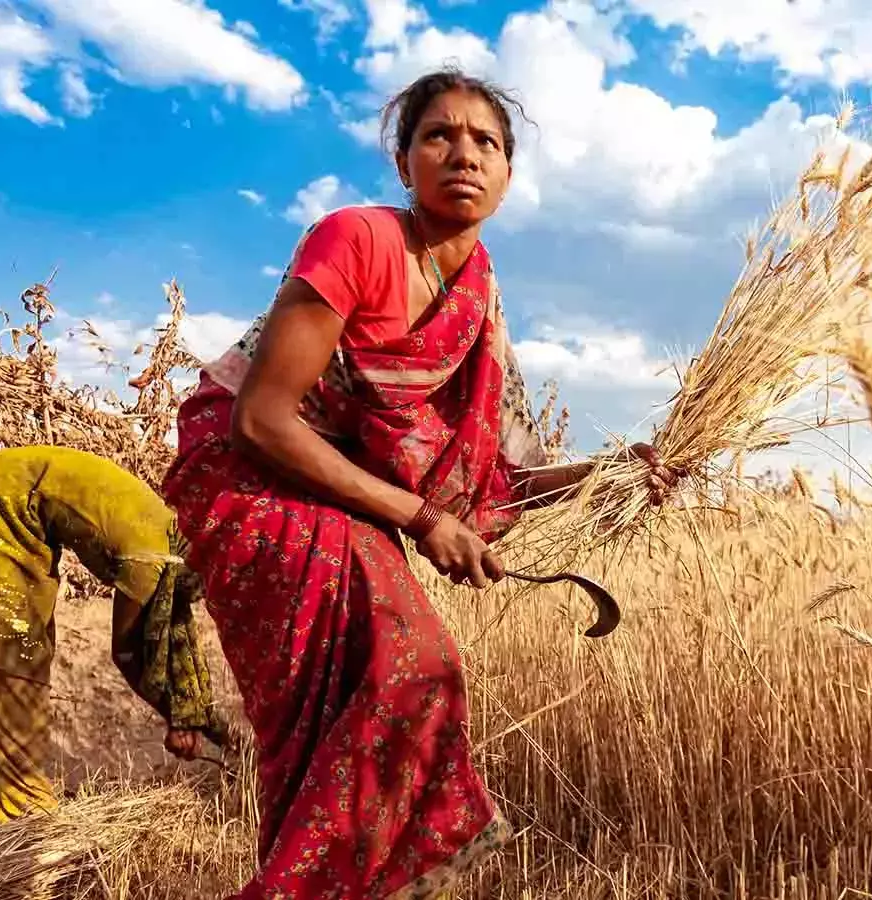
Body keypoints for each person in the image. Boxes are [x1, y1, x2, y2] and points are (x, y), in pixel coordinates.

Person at [161, 67, 679, 899]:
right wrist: (423, 518)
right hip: (246, 471)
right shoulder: (357, 239)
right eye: (439, 135)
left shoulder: (479, 298)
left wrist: (613, 475)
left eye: (486, 142)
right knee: (416, 664)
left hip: (339, 492)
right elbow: (261, 419)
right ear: (404, 163)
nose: (463, 154)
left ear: (508, 173)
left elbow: (502, 477)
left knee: (335, 733)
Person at [0, 445, 224, 836]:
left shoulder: (172, 534)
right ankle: (20, 821)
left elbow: (167, 635)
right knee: (2, 659)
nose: (201, 599)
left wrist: (196, 719)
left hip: (8, 518)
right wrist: (180, 719)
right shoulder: (151, 560)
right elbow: (126, 652)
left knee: (21, 654)